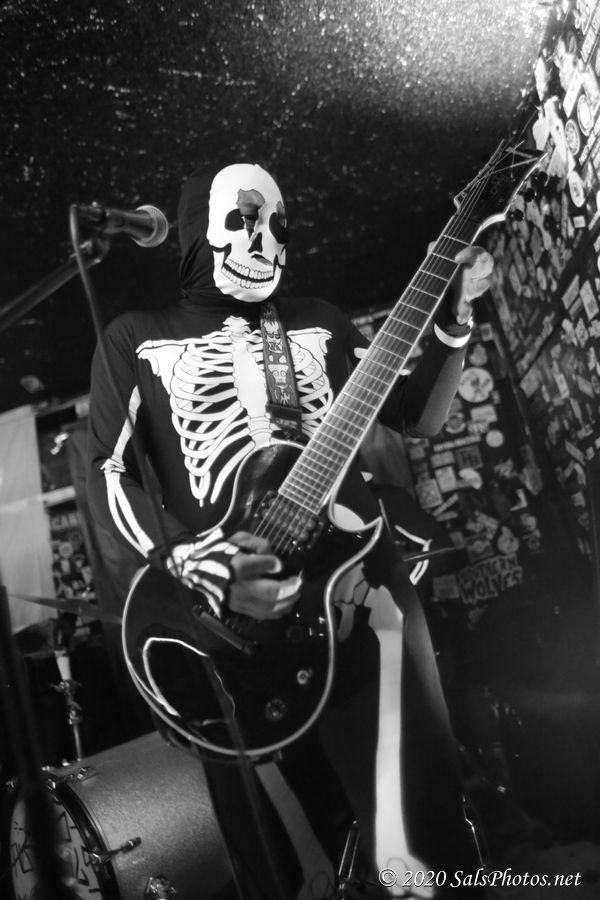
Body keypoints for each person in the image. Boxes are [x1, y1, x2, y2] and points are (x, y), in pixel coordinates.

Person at [87, 162, 493, 899]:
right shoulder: (137, 338)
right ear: (197, 233)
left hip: (359, 585)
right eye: (243, 220)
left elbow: (417, 416)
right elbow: (110, 471)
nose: (264, 239)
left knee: (425, 821)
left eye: (278, 224)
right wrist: (188, 559)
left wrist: (455, 317)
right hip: (226, 624)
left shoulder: (318, 321)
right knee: (281, 856)